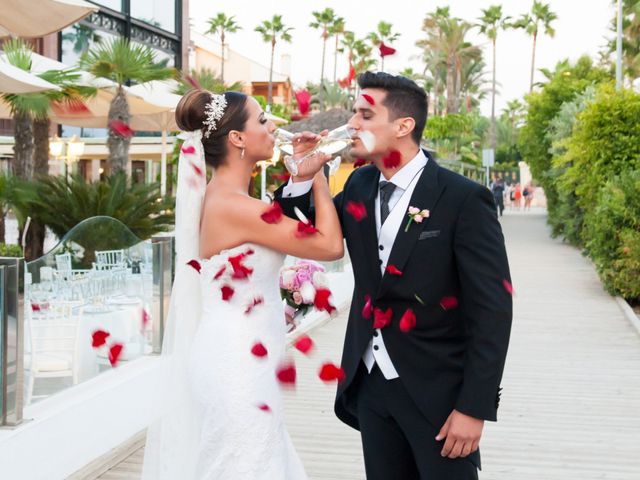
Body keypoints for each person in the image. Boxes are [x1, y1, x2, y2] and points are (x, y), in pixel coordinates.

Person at [275, 72, 512, 479]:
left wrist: (474, 407)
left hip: (440, 391)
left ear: (404, 126)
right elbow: (302, 228)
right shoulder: (361, 184)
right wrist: (303, 175)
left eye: (365, 114)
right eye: (353, 113)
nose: (352, 124)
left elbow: (493, 309)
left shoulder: (462, 198)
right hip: (371, 384)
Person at [141, 89, 343, 479]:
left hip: (244, 355)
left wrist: (301, 172)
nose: (273, 127)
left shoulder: (227, 200)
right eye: (263, 120)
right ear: (237, 138)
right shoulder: (237, 208)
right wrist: (316, 176)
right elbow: (330, 245)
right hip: (237, 363)